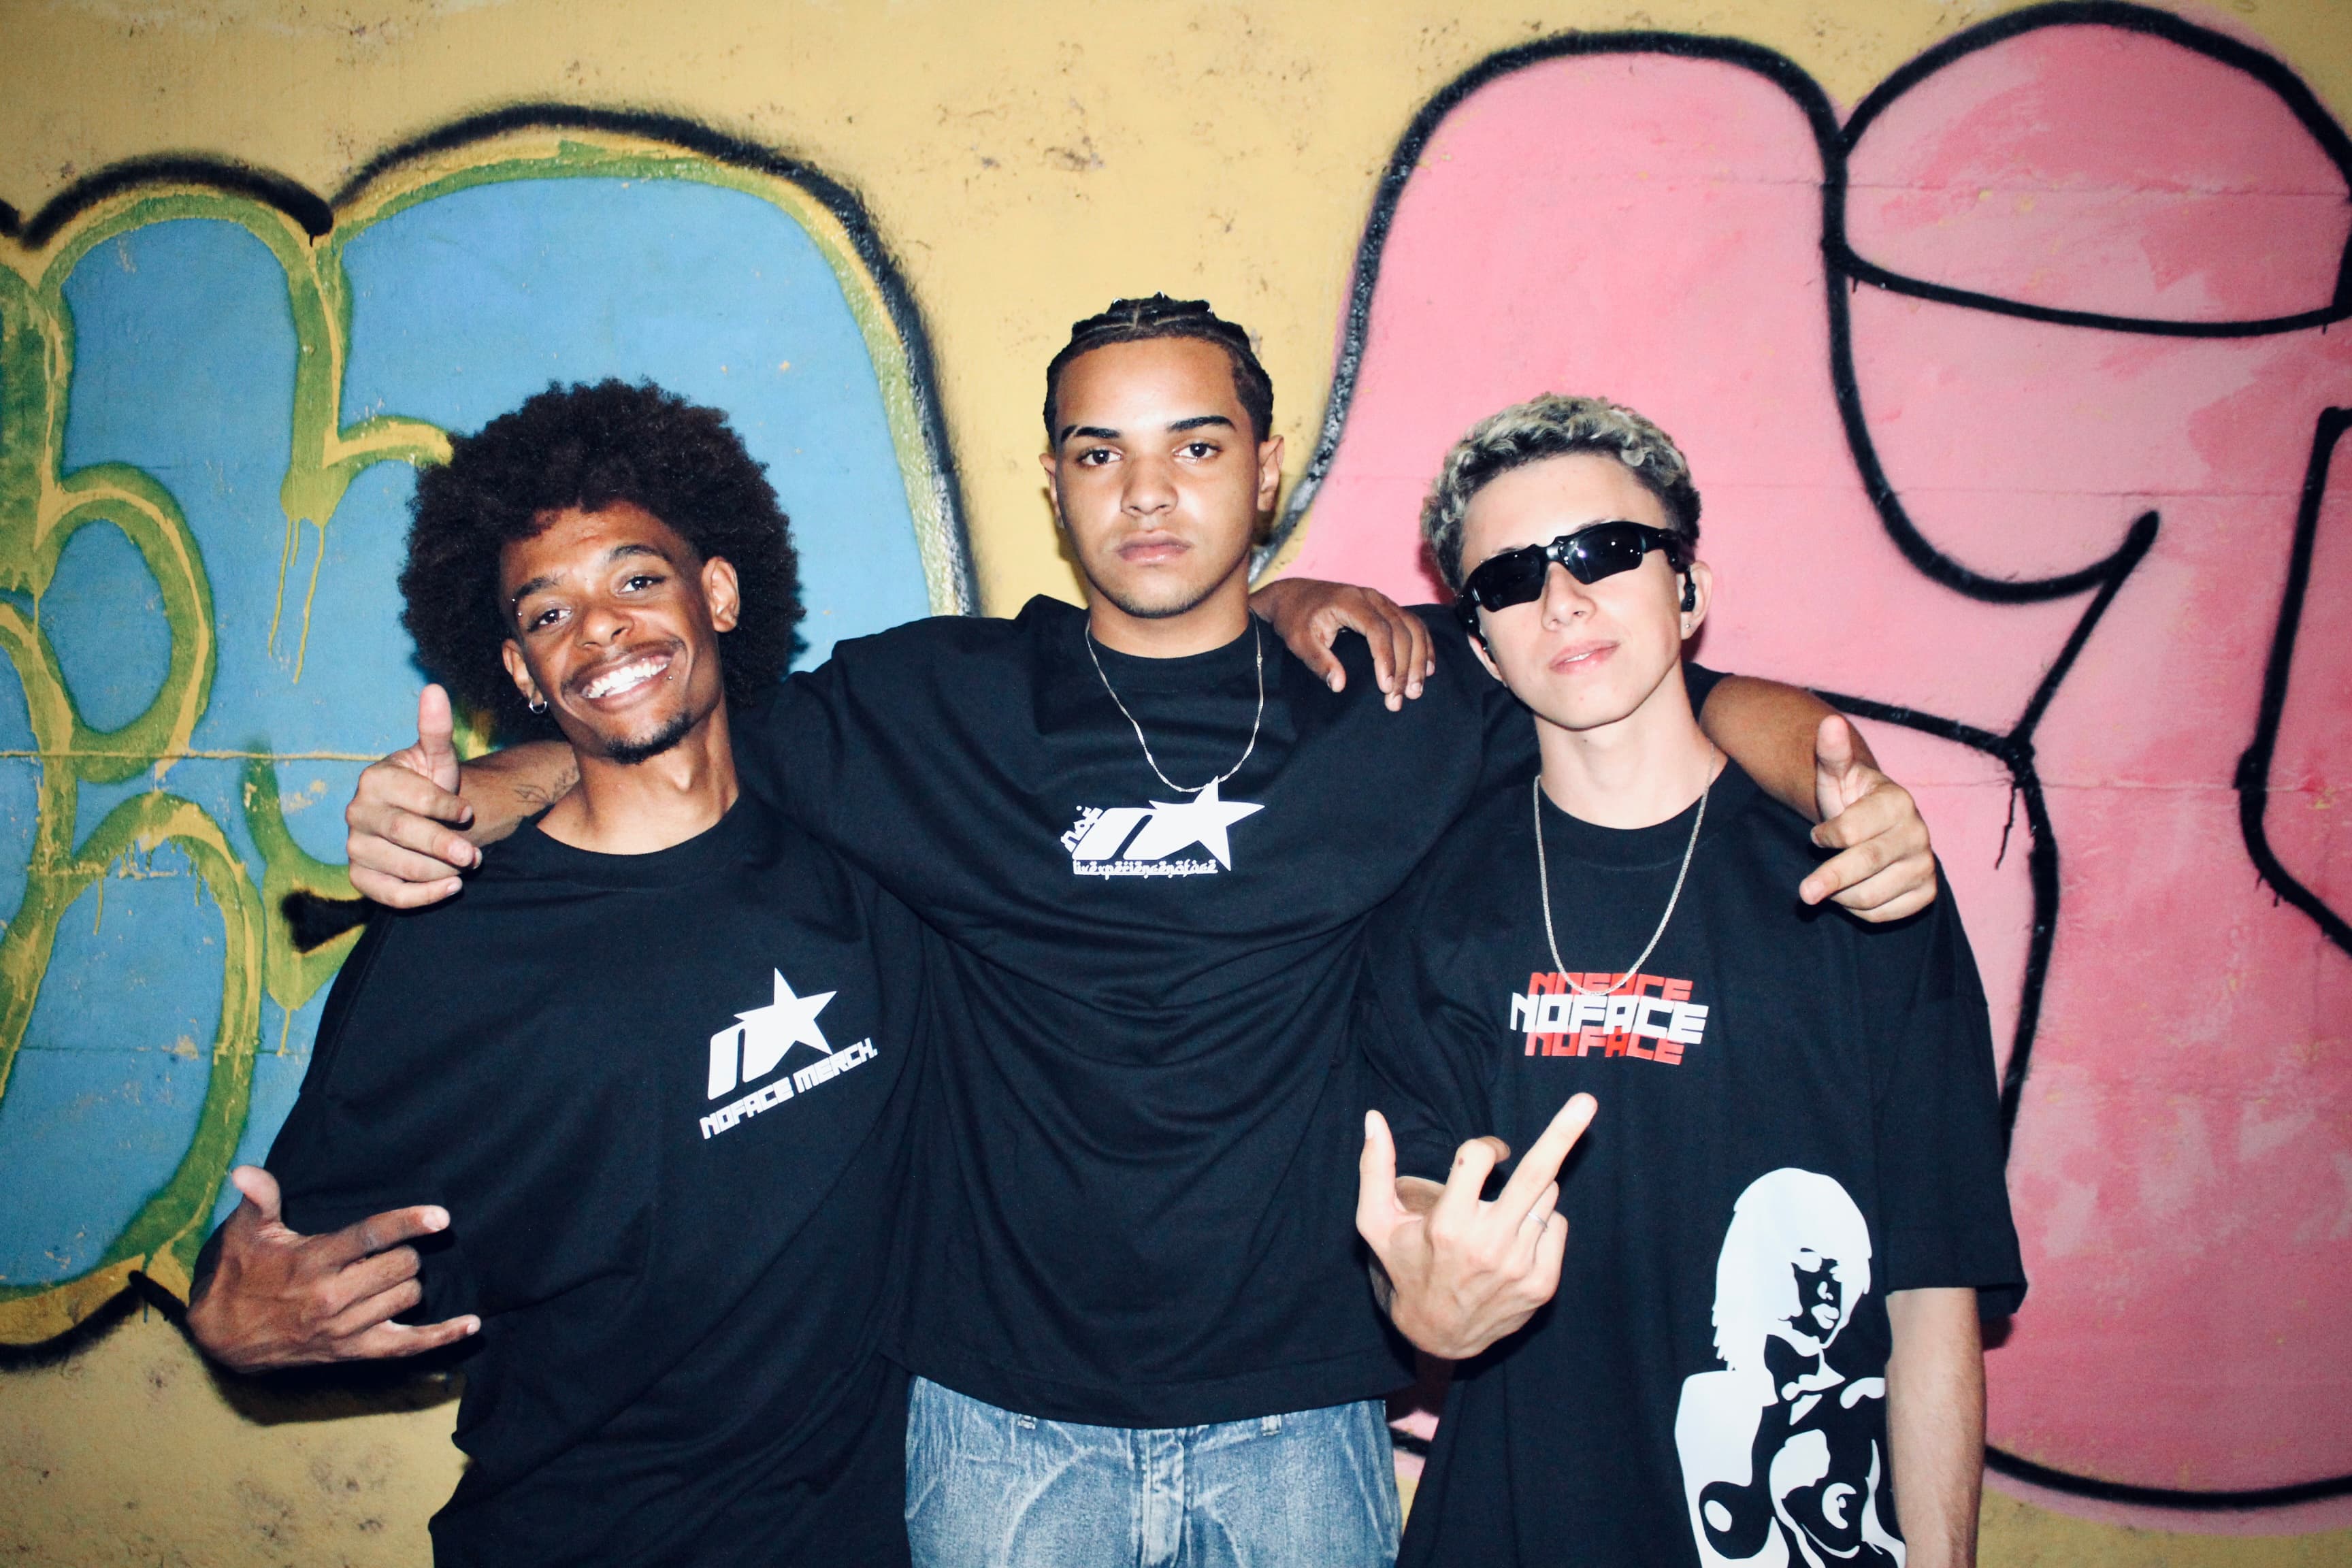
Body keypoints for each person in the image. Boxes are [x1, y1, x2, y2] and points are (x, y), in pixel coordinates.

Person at [337, 297, 1944, 1567]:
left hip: (1304, 1419)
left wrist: (1834, 778)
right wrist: (483, 785)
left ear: (1270, 465)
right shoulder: (926, 705)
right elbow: (657, 721)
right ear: (1051, 485)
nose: (1148, 491)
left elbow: (1671, 678)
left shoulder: (1400, 687)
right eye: (1097, 454)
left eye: (1192, 445)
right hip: (993, 1428)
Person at [186, 381, 932, 1567]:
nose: (601, 632)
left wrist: (1300, 600)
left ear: (720, 595)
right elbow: (286, 1246)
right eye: (549, 614)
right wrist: (229, 1309)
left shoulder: (875, 842)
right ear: (523, 672)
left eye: (638, 580)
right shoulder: (449, 938)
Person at [1352, 394, 2025, 1568]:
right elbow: (1413, 1186)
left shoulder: (1860, 878)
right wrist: (1420, 1289)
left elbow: (1931, 1292)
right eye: (1511, 579)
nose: (1563, 600)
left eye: (1606, 553)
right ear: (1482, 647)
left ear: (1689, 590)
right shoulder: (1435, 902)